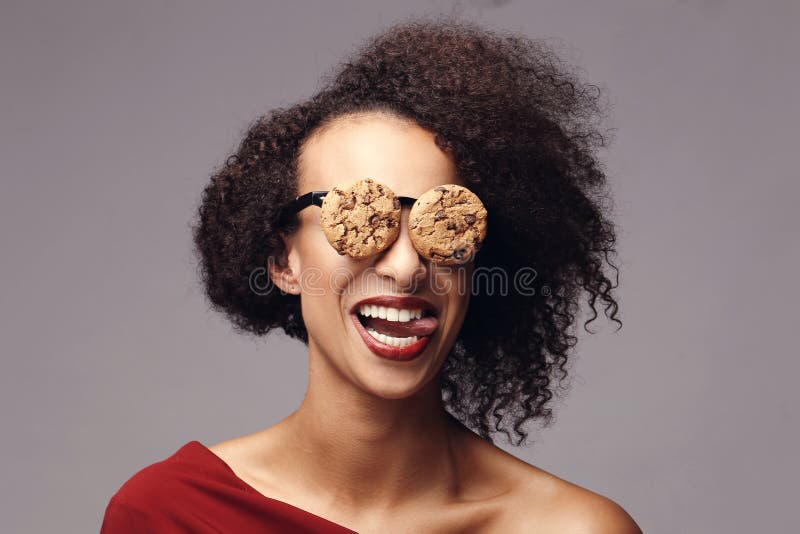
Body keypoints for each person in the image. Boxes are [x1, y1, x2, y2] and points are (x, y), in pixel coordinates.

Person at [101, 16, 641, 533]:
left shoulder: (574, 529)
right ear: (281, 261)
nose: (406, 268)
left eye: (443, 225)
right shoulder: (169, 517)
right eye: (359, 217)